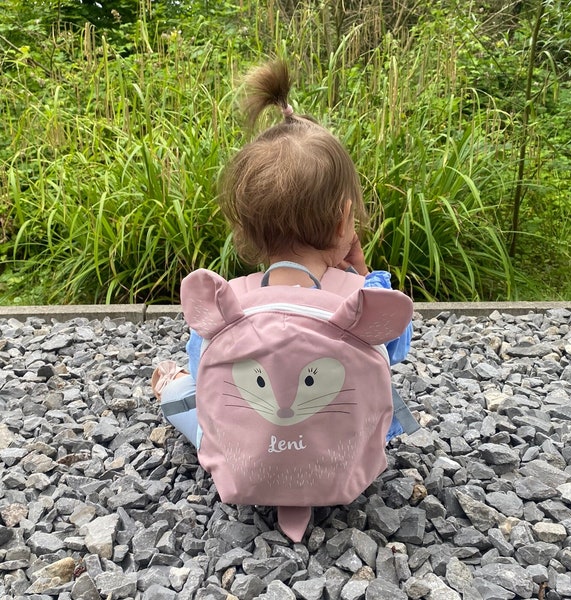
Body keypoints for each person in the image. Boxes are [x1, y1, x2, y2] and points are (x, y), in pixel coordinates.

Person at [151, 59, 418, 450]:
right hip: (340, 458)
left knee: (183, 393)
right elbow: (397, 346)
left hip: (250, 458)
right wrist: (363, 272)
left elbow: (204, 369)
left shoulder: (229, 303)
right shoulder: (362, 300)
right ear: (345, 218)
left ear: (244, 229)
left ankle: (172, 391)